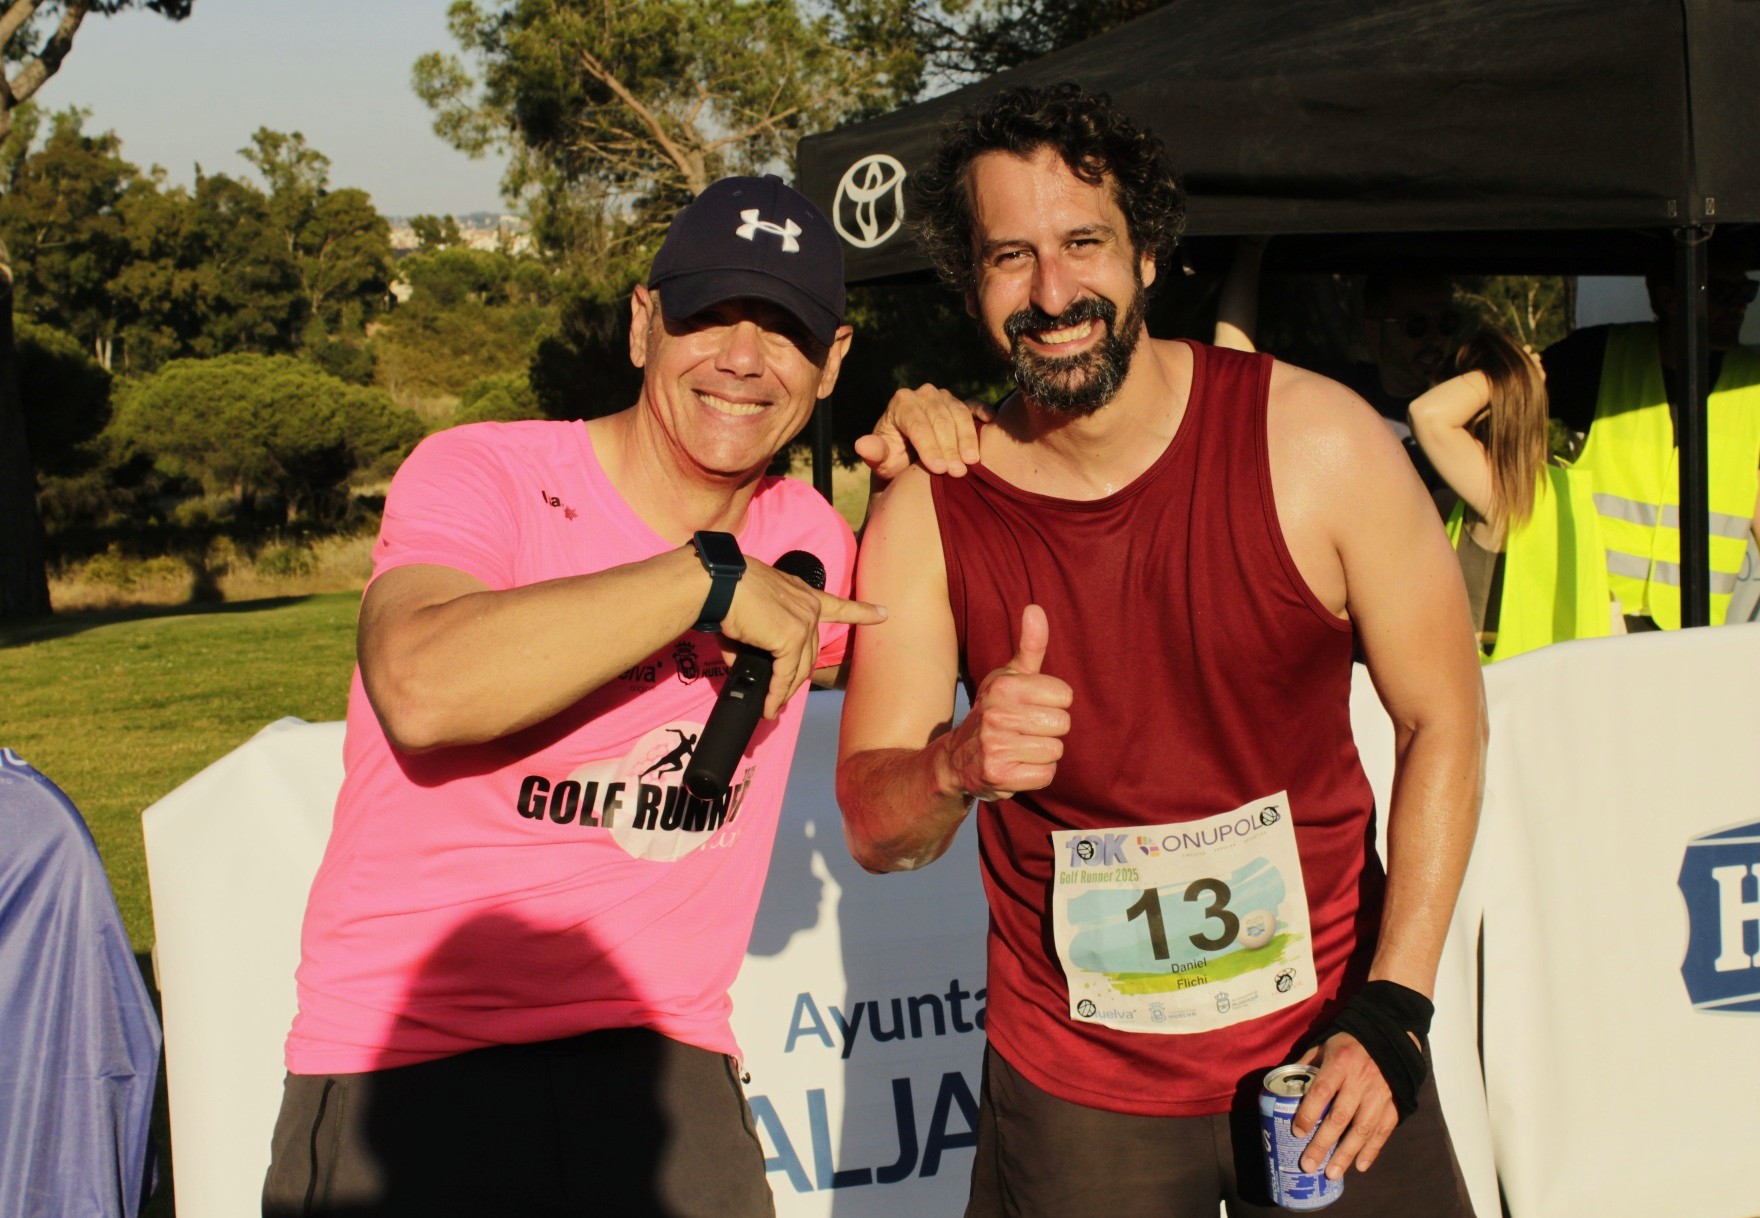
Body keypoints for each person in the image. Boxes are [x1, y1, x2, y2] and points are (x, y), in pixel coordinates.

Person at [836, 83, 1486, 1218]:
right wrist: (954, 762)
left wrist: (1395, 1008)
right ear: (972, 284)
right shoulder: (931, 509)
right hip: (1079, 1092)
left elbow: (1445, 720)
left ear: (1146, 256)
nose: (1051, 292)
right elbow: (871, 824)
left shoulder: (1317, 442)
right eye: (1009, 257)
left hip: (1331, 1051)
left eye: (1082, 243)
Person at [262, 174, 962, 1218]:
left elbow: (917, 668)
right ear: (643, 324)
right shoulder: (484, 473)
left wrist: (932, 441)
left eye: (783, 330)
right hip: (410, 1063)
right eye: (708, 316)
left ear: (832, 363)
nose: (742, 357)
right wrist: (705, 579)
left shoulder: (811, 537)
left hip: (664, 1069)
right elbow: (418, 686)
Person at [1541, 241, 1760, 630]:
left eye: (1746, 292)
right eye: (1723, 292)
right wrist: (1540, 486)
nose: (1739, 306)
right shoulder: (1595, 356)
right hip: (1596, 614)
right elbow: (1505, 410)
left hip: (1696, 629)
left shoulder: (1753, 381)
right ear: (1669, 298)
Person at [1408, 325, 1615, 661]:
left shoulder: (1500, 490)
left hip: (1498, 684)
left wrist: (1515, 373)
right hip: (1560, 681)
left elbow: (1427, 414)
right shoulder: (1563, 484)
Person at [1213, 238, 1463, 513]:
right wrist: (1252, 247)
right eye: (1416, 325)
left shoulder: (1467, 418)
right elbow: (1239, 379)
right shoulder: (1336, 393)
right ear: (1374, 331)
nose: (1435, 339)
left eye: (1447, 324)